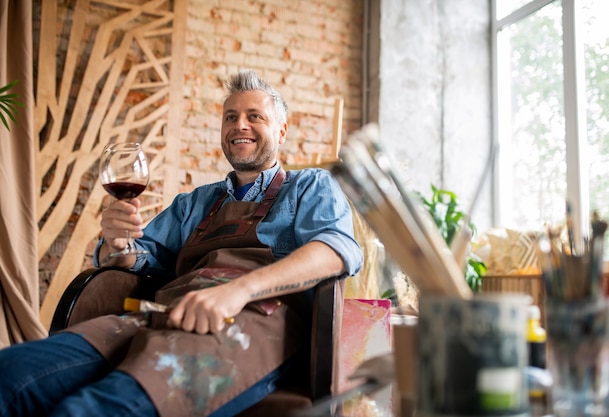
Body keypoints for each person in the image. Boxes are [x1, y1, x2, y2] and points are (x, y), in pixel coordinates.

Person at [0, 69, 363, 417]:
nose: (240, 125)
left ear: (281, 130)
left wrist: (239, 290)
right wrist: (119, 243)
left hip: (248, 326)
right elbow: (139, 258)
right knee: (10, 373)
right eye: (230, 116)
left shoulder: (311, 186)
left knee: (93, 409)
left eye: (255, 116)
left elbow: (335, 249)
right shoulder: (195, 203)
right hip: (162, 314)